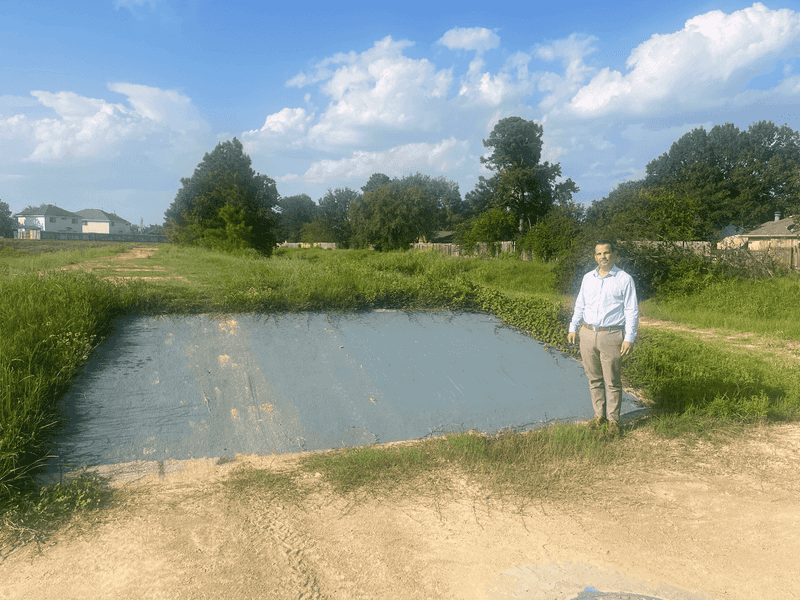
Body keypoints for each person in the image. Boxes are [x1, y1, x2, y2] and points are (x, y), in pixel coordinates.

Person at [567, 241, 638, 435]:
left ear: (613, 255)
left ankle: (613, 420)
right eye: (599, 254)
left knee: (612, 380)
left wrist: (629, 337)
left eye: (606, 253)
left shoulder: (624, 279)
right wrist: (573, 327)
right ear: (595, 257)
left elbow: (631, 310)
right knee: (594, 378)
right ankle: (599, 416)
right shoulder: (588, 278)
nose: (603, 257)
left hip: (612, 335)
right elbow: (580, 304)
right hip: (587, 333)